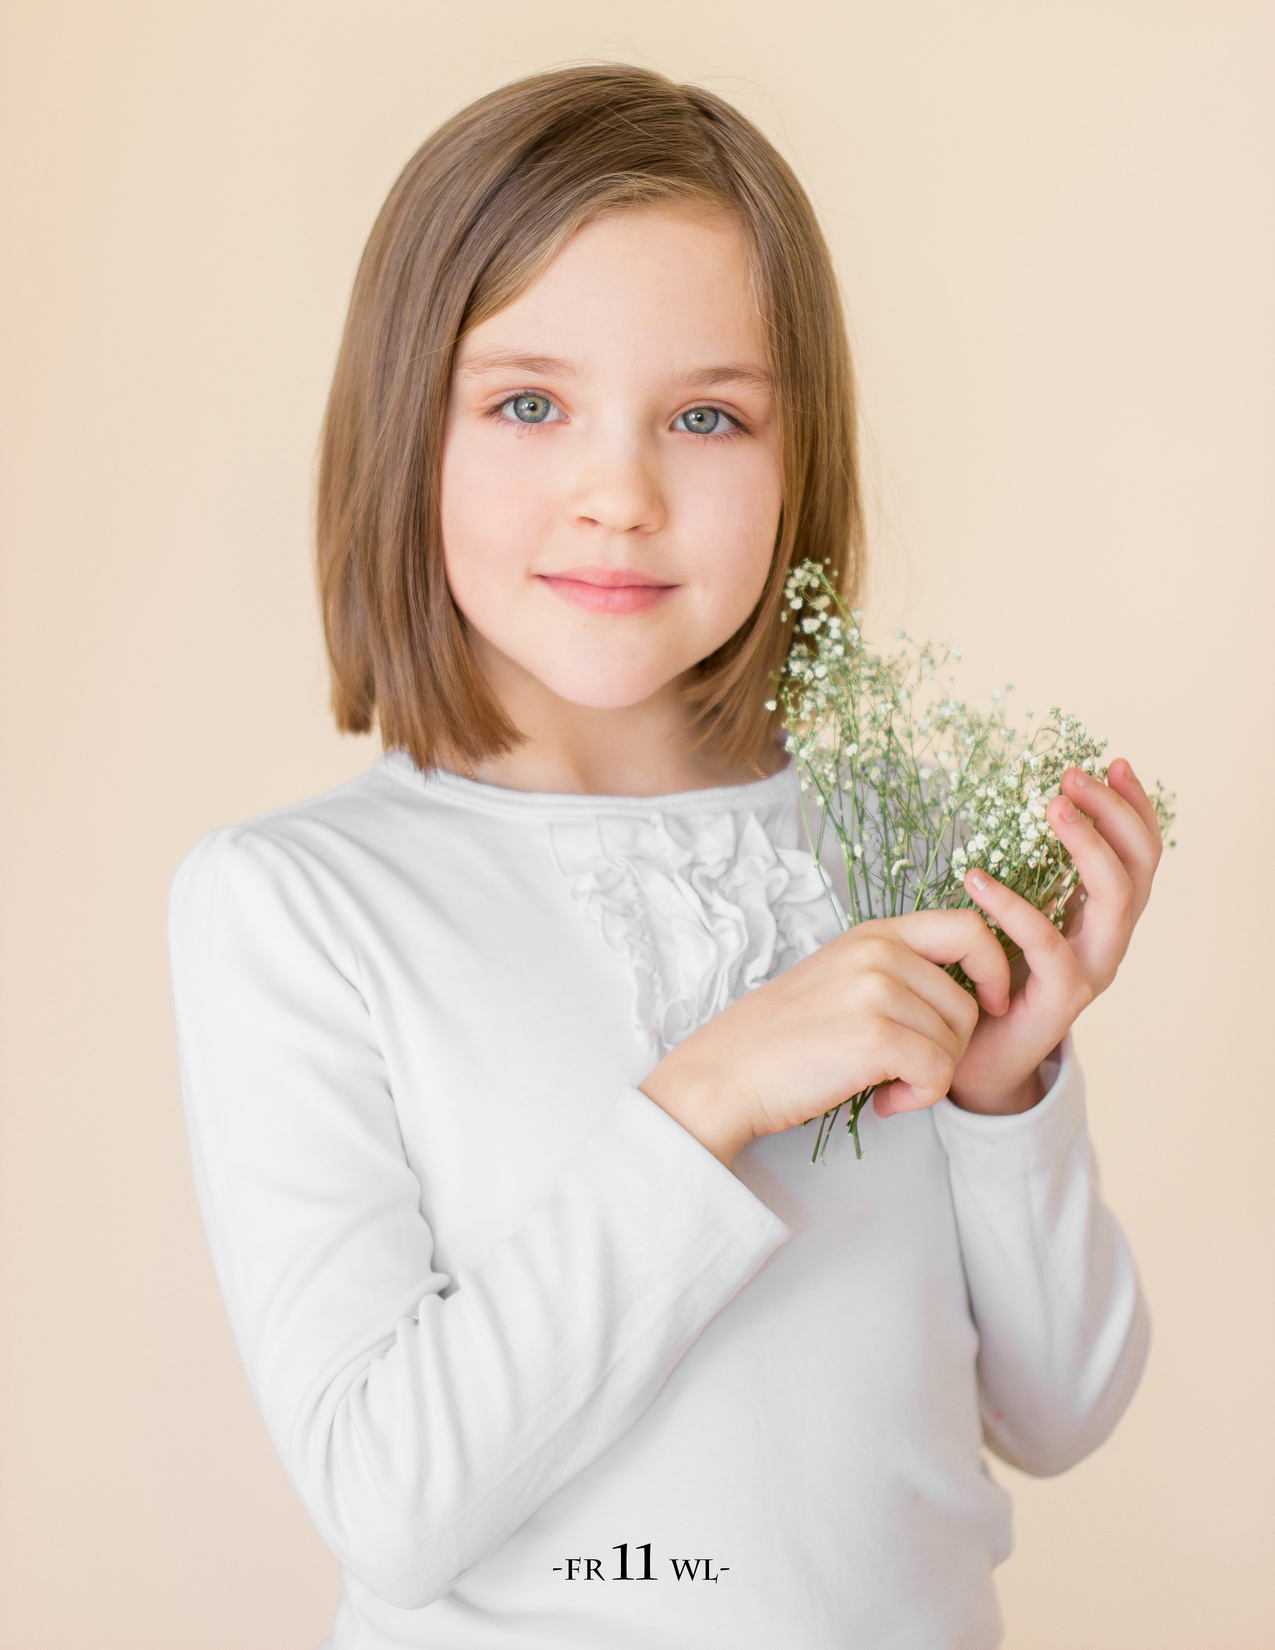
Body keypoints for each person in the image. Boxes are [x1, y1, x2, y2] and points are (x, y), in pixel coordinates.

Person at [166, 63, 1162, 1650]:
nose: (618, 495)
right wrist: (711, 1091)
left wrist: (1006, 1096)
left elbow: (1061, 1411)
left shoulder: (896, 847)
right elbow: (391, 1499)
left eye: (706, 416)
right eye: (527, 403)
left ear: (796, 456)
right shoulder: (297, 906)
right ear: (404, 426)